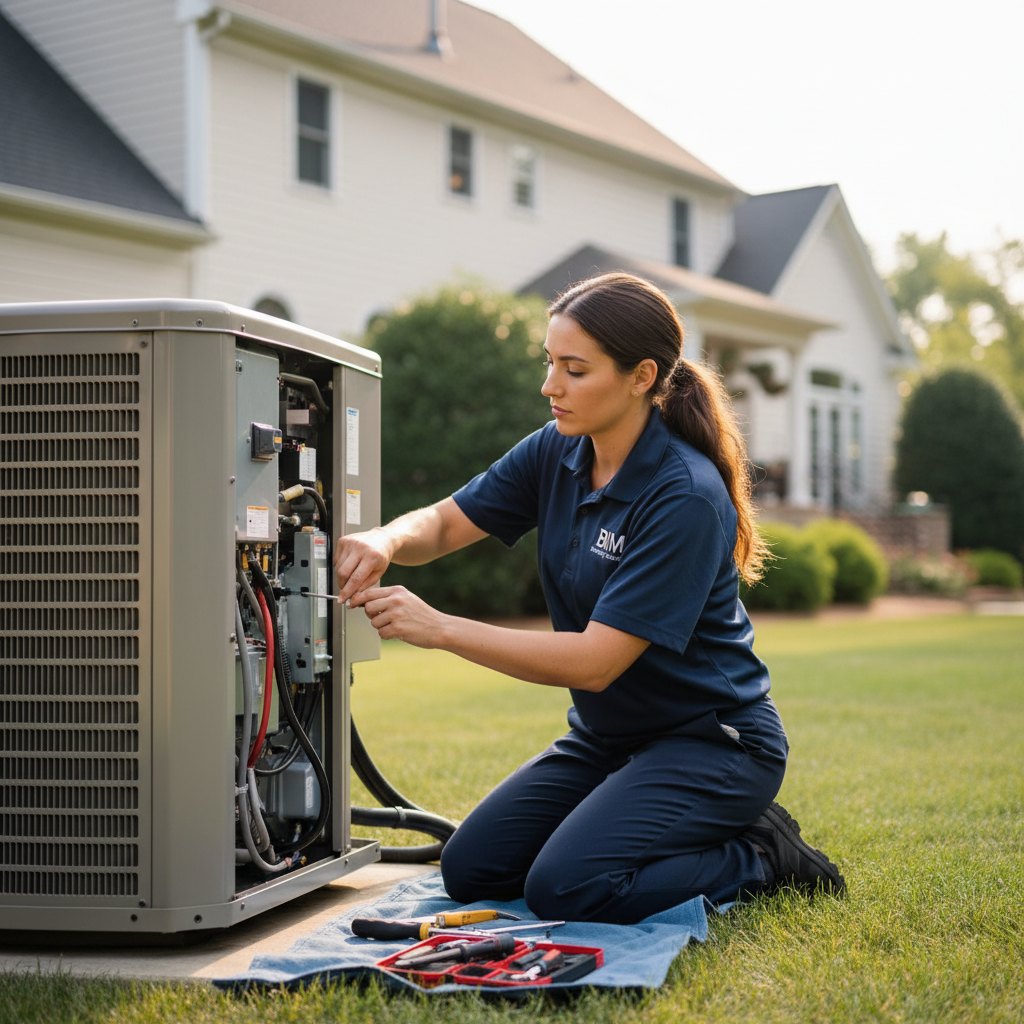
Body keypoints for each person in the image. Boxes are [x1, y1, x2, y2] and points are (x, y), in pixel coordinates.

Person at [334, 273, 844, 924]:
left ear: (641, 376)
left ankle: (759, 855)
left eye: (574, 370)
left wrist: (441, 629)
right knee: (470, 869)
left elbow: (595, 662)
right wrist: (383, 538)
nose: (551, 387)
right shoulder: (558, 450)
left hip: (714, 743)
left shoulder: (683, 495)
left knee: (569, 887)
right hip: (609, 739)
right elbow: (443, 523)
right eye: (551, 364)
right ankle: (634, 824)